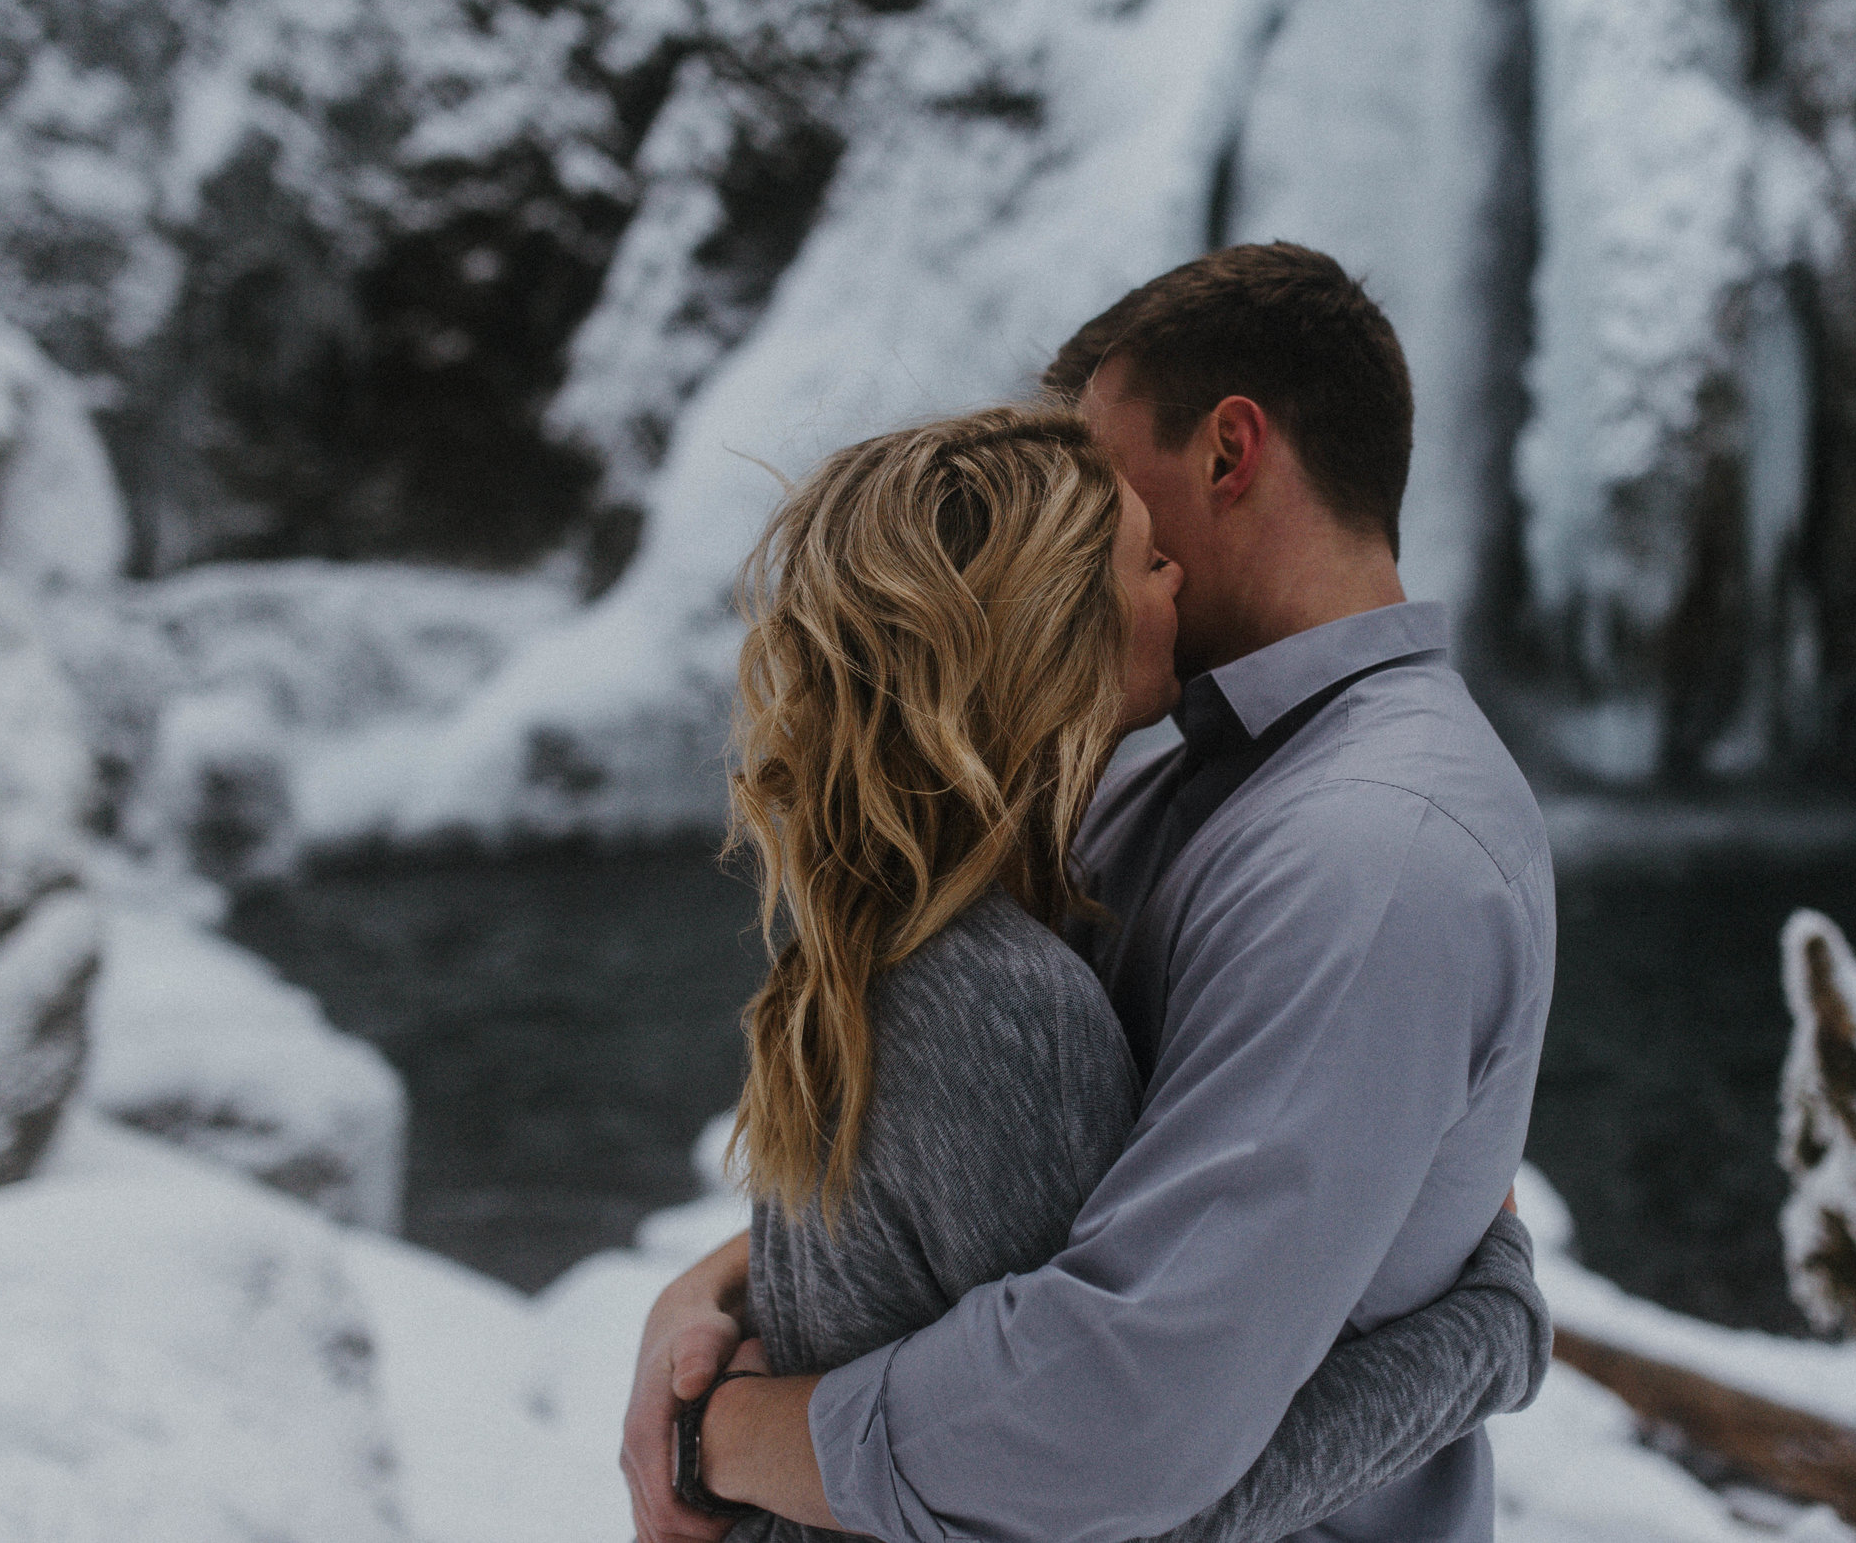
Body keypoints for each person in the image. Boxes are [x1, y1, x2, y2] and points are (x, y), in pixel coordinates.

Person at [627, 245, 1556, 1543]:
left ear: (1231, 452)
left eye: (1102, 485)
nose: (1125, 553)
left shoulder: (1372, 848)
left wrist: (726, 1388)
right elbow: (1114, 1454)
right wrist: (1493, 1326)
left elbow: (1094, 1409)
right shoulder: (1095, 864)